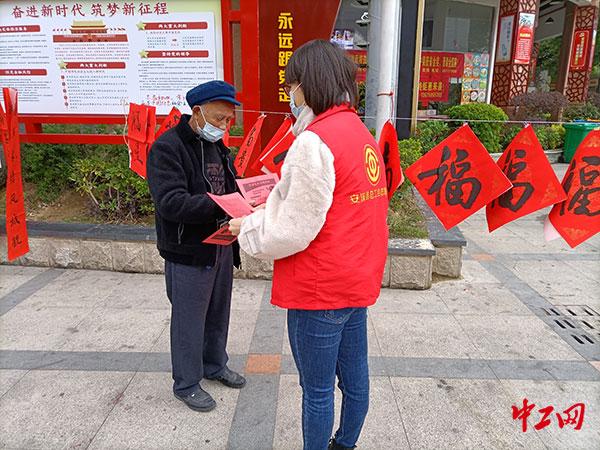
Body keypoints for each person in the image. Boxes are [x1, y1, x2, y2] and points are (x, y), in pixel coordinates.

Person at [229, 40, 389, 449]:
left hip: (320, 290)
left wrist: (245, 229)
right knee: (355, 381)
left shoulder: (314, 142)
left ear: (306, 85)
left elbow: (291, 231)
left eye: (291, 85)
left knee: (317, 391)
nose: (289, 94)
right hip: (355, 283)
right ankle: (345, 443)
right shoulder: (359, 132)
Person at [146, 80, 246, 413]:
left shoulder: (218, 147)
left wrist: (249, 197)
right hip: (188, 250)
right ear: (198, 112)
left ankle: (215, 364)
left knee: (218, 313)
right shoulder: (167, 148)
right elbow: (171, 203)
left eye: (228, 121)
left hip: (220, 244)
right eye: (219, 119)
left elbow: (230, 186)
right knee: (189, 320)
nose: (224, 126)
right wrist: (225, 204)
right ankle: (186, 384)